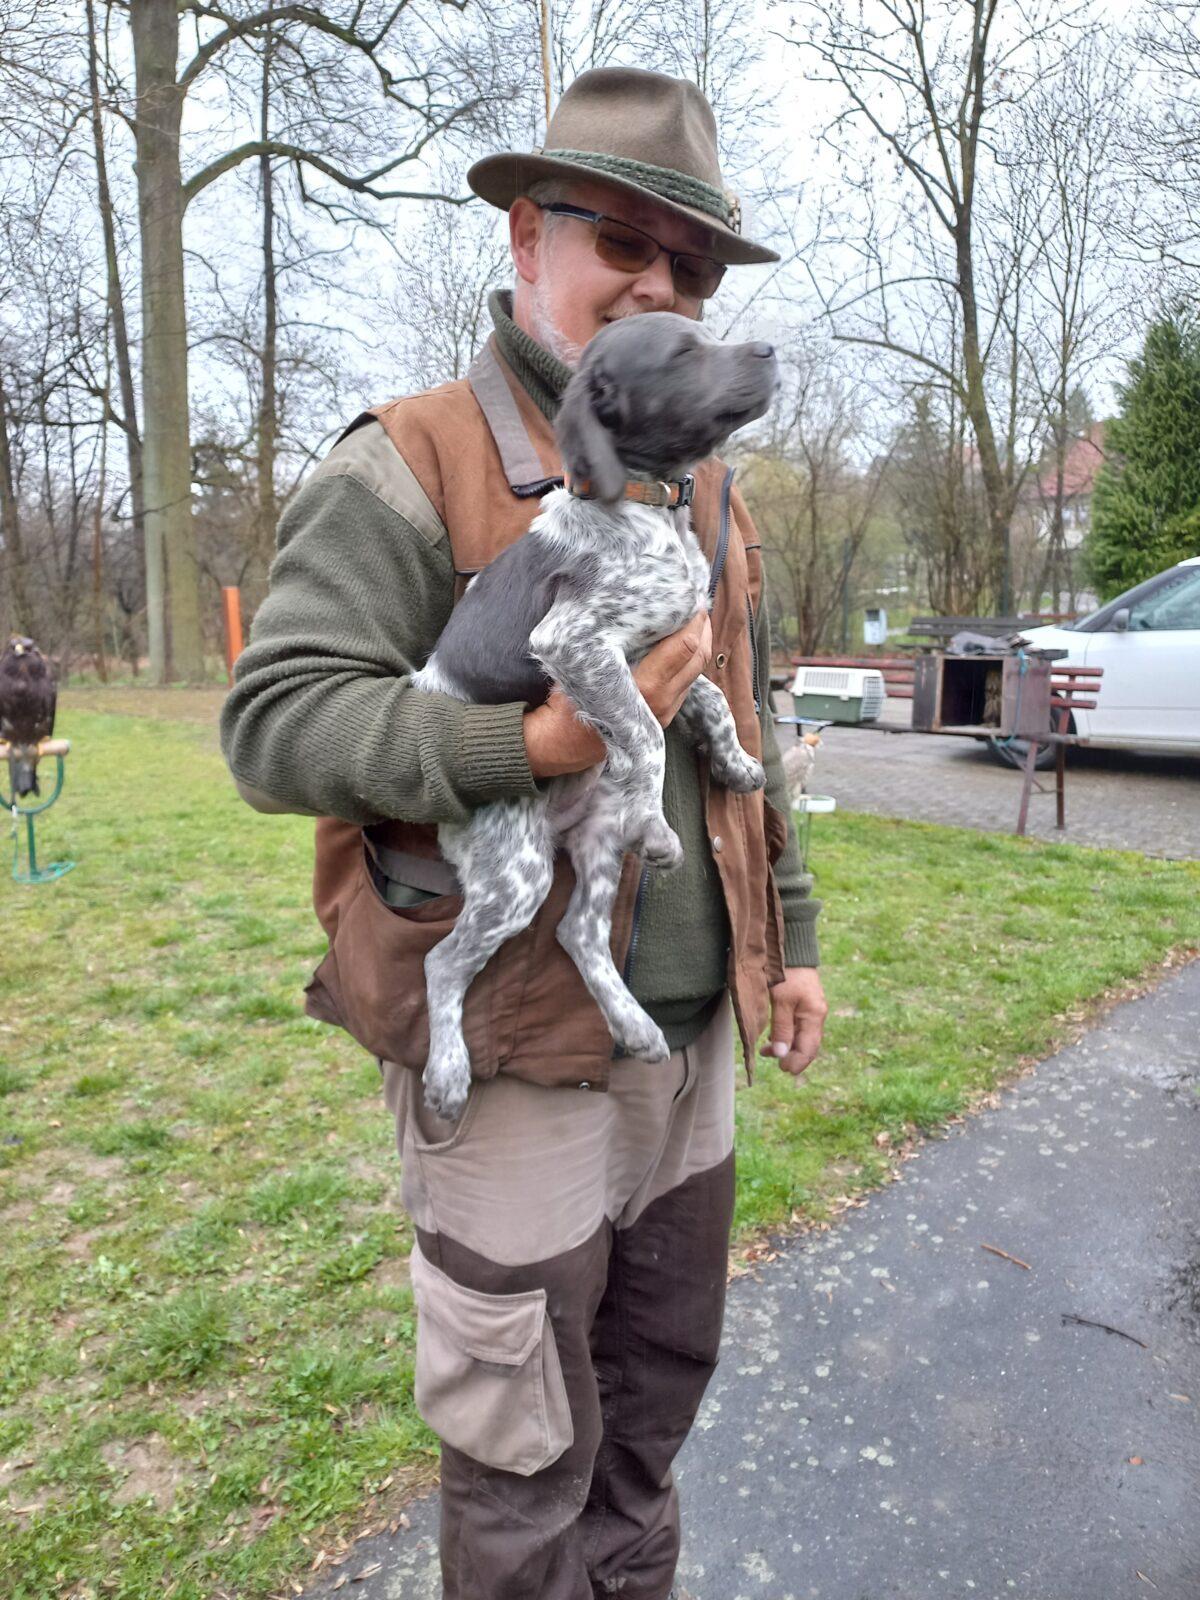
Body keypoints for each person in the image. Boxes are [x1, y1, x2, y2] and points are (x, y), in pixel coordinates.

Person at [220, 66, 828, 1600]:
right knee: (522, 1455)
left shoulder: (701, 486)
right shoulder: (411, 461)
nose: (655, 277)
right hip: (506, 1062)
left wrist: (794, 942)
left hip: (686, 1054)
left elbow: (745, 734)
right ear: (522, 238)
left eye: (687, 262)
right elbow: (275, 722)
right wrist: (523, 743)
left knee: (650, 1411)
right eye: (615, 233)